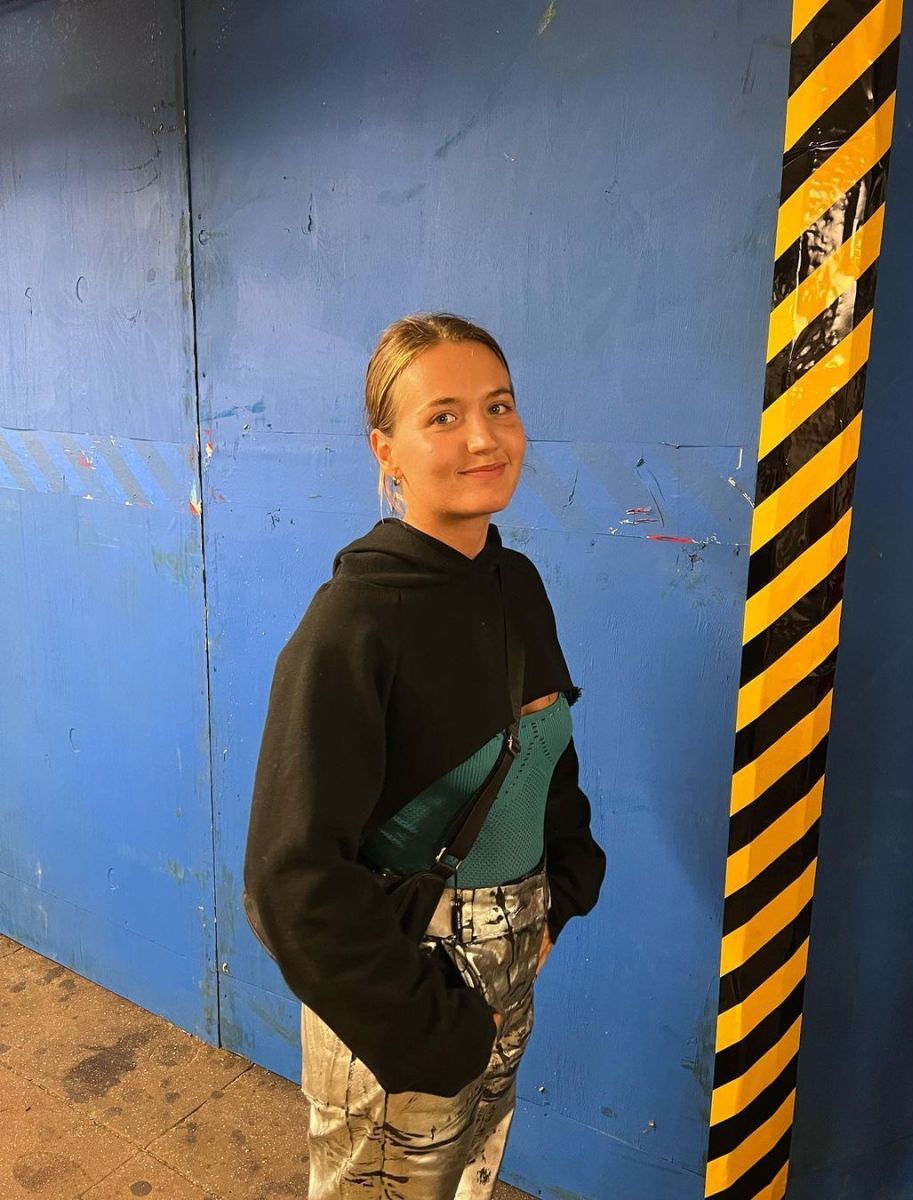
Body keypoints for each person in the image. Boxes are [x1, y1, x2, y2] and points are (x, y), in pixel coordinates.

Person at [242, 312, 606, 1199]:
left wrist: (560, 895)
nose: (483, 437)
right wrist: (435, 1032)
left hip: (506, 980)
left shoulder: (515, 585)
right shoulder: (354, 623)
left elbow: (546, 761)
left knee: (471, 1183)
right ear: (387, 451)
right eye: (443, 416)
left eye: (499, 406)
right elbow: (289, 880)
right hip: (401, 1009)